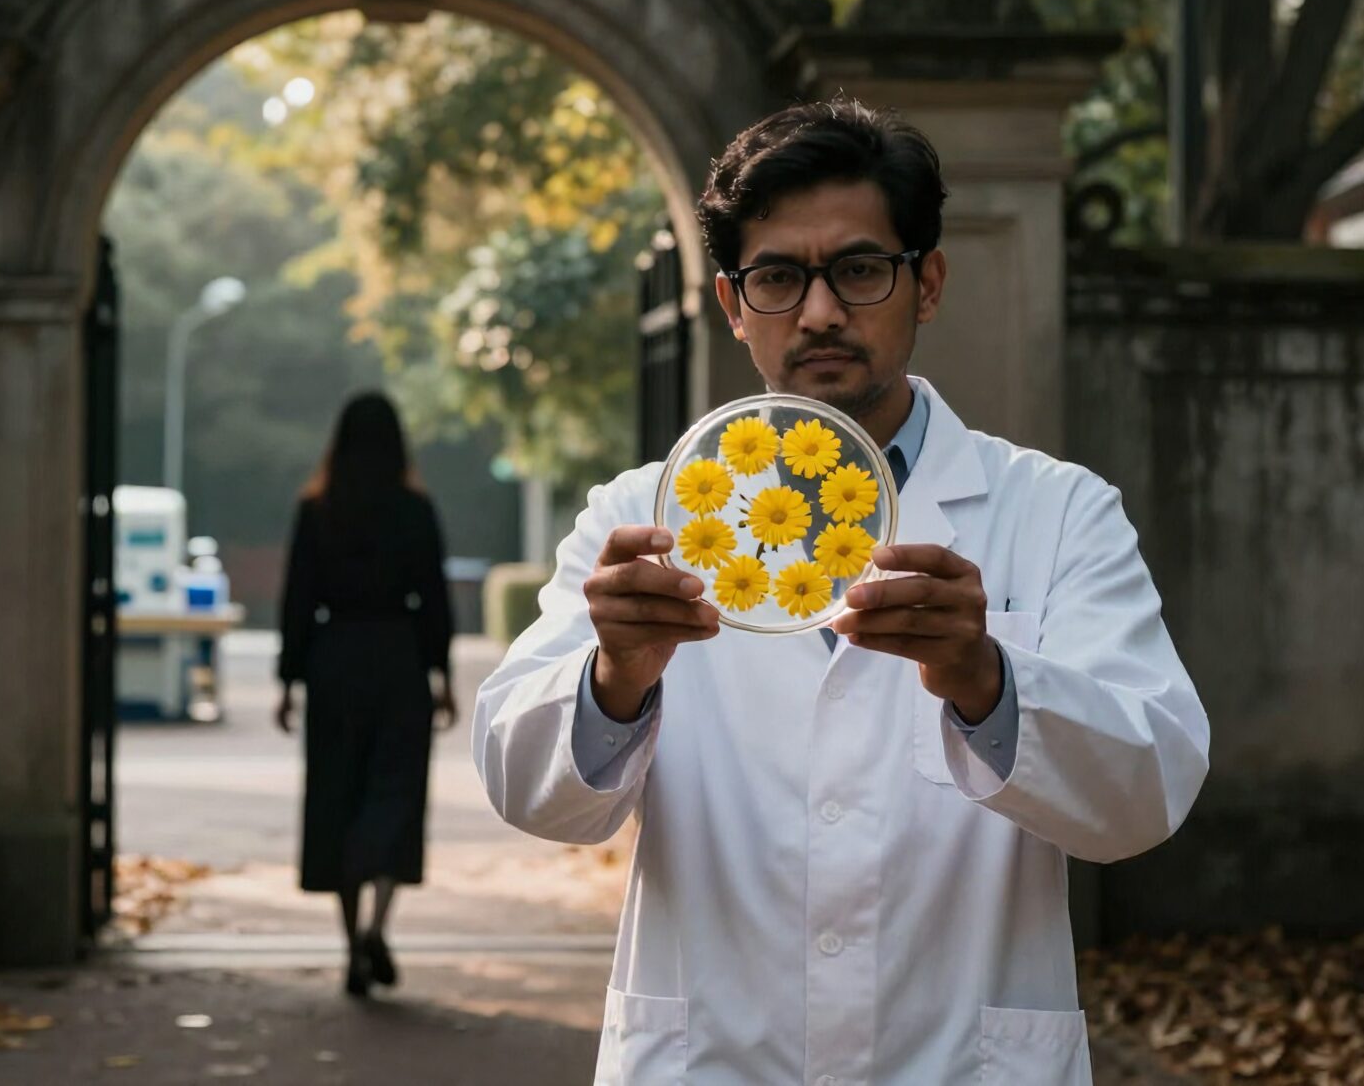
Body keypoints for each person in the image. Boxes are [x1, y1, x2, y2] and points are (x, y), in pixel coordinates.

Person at [472, 99, 1208, 1084]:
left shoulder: (1056, 512)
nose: (819, 311)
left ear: (927, 281)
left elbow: (1146, 792)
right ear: (732, 305)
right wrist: (614, 677)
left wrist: (985, 680)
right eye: (776, 276)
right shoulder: (637, 516)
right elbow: (529, 790)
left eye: (859, 269)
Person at [275, 392, 459, 998]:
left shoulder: (318, 508)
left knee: (337, 795)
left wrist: (287, 679)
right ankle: (379, 926)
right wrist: (442, 676)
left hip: (334, 662)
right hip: (398, 659)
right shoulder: (414, 509)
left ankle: (350, 937)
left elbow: (297, 598)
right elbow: (433, 596)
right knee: (395, 793)